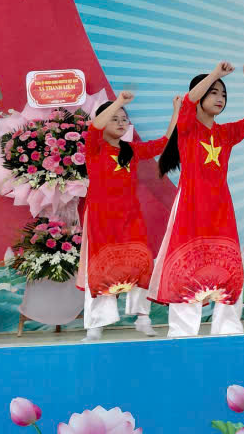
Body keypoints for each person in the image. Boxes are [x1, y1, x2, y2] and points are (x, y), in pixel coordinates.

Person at [149, 62, 244, 336]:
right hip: (191, 205)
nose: (220, 98)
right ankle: (182, 333)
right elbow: (188, 101)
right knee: (188, 266)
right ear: (201, 95)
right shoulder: (188, 126)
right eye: (214, 92)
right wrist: (216, 74)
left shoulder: (225, 133)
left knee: (227, 267)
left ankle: (228, 329)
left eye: (223, 94)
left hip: (220, 208)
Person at [78, 91, 177, 342]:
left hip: (131, 218)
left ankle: (142, 317)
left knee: (141, 264)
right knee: (101, 269)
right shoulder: (94, 147)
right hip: (102, 219)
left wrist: (176, 111)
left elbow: (163, 143)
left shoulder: (130, 150)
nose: (121, 123)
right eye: (115, 118)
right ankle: (96, 326)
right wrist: (119, 102)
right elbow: (95, 127)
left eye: (124, 119)